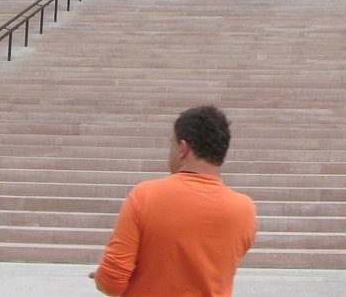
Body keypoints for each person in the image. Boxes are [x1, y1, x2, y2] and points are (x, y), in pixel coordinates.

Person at [91, 105, 257, 297]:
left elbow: (112, 282)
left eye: (172, 143)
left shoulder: (145, 195)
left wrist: (100, 278)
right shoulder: (244, 210)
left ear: (183, 148)